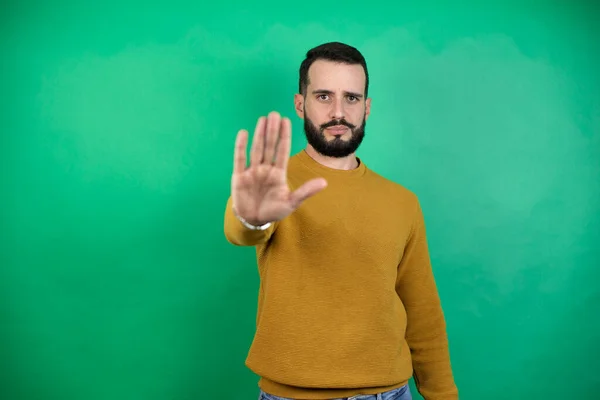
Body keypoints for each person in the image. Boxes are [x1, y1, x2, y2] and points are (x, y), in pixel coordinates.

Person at [223, 42, 458, 400]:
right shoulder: (271, 184)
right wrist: (252, 219)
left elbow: (422, 312)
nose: (338, 112)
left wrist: (443, 394)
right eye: (323, 96)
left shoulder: (402, 202)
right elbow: (240, 230)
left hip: (390, 394)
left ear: (367, 107)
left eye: (351, 98)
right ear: (300, 103)